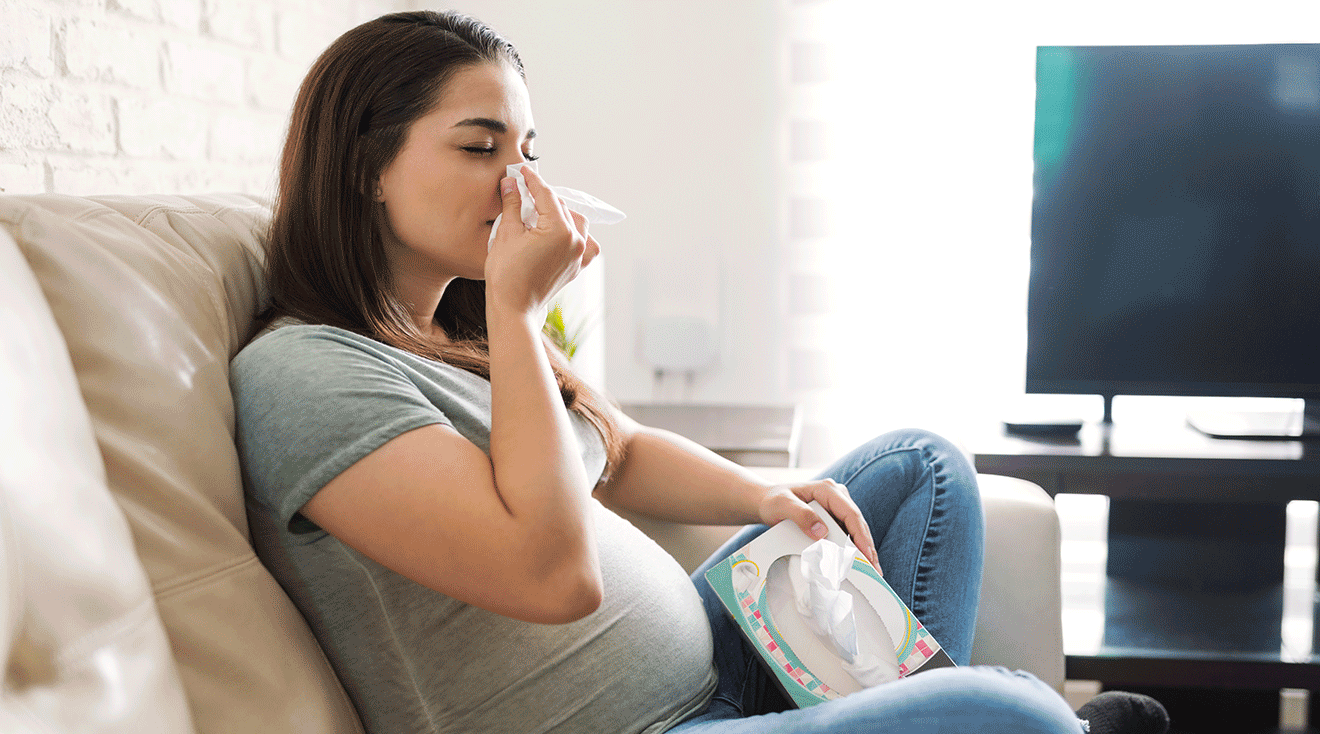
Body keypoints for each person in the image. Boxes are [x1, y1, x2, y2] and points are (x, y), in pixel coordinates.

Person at [229, 10, 1168, 734]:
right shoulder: (306, 374)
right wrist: (518, 312)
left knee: (918, 466)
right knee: (1019, 714)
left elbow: (622, 452)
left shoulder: (453, 331)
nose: (523, 187)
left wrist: (766, 497)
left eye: (528, 153)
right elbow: (551, 576)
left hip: (716, 670)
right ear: (364, 169)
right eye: (481, 148)